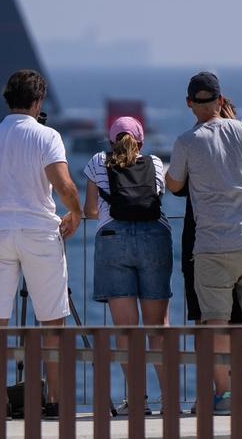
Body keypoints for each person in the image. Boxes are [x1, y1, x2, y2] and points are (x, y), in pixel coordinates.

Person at [164, 72, 242, 416]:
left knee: (214, 322)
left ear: (190, 104)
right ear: (221, 99)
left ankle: (225, 394)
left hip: (214, 241)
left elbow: (174, 186)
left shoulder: (187, 141)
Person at [0, 70, 83, 419]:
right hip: (39, 232)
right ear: (38, 102)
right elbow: (63, 185)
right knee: (52, 321)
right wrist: (75, 213)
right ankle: (57, 399)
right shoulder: (47, 136)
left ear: (7, 99)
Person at [174, 97, 242, 413]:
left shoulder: (194, 144)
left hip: (202, 239)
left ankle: (215, 392)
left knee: (205, 319)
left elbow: (177, 186)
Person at [84, 116, 170, 416]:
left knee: (126, 329)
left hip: (112, 239)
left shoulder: (97, 161)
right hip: (154, 238)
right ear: (141, 141)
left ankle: (137, 400)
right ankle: (170, 399)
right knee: (158, 328)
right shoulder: (157, 163)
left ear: (111, 141)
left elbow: (91, 210)